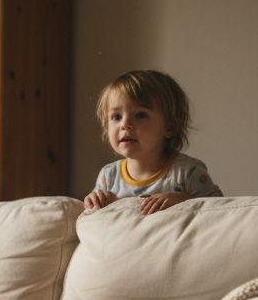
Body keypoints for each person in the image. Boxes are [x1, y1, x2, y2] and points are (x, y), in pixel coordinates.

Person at [83, 69, 222, 215]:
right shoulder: (108, 176)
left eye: (140, 115)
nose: (125, 124)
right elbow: (93, 217)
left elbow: (219, 211)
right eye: (116, 117)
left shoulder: (188, 172)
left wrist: (184, 201)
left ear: (170, 126)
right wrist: (93, 201)